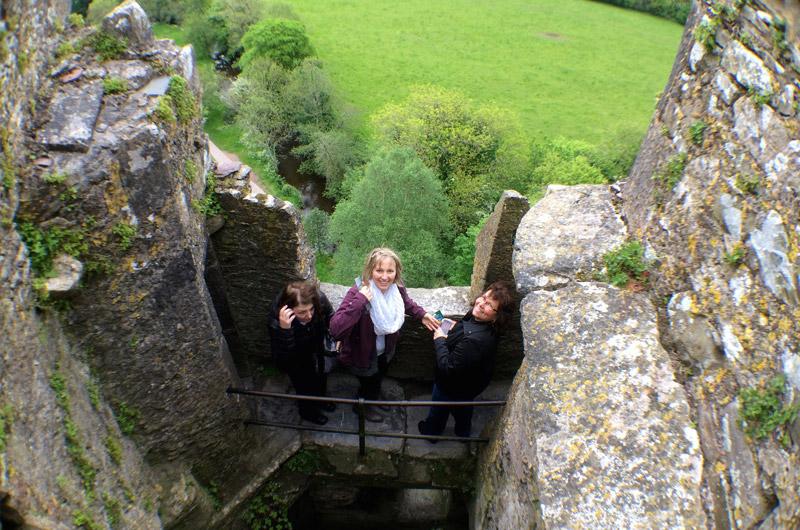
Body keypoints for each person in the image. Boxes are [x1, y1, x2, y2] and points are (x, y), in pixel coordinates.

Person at [330, 248, 439, 422]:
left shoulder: (396, 290)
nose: (384, 277)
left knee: (378, 377)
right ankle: (363, 407)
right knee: (367, 382)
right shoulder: (358, 292)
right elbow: (336, 329)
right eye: (379, 270)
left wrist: (422, 314)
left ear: (396, 273)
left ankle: (373, 398)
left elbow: (406, 303)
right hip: (363, 354)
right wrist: (360, 300)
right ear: (370, 271)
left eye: (390, 271)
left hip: (386, 350)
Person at [418, 281, 515, 440]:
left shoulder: (476, 341)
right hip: (471, 384)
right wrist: (451, 326)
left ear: (498, 316)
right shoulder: (483, 322)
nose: (482, 304)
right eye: (484, 298)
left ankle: (432, 433)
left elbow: (447, 367)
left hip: (450, 385)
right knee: (463, 408)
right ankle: (463, 433)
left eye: (490, 304)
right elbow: (466, 327)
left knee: (439, 409)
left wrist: (440, 339)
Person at [267, 280, 335, 425]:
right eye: (302, 312)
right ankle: (308, 412)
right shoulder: (276, 319)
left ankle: (321, 401)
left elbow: (330, 316)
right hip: (296, 356)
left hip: (317, 347)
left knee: (321, 376)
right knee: (303, 385)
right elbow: (283, 359)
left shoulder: (318, 299)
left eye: (311, 309)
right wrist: (285, 330)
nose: (309, 316)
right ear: (289, 310)